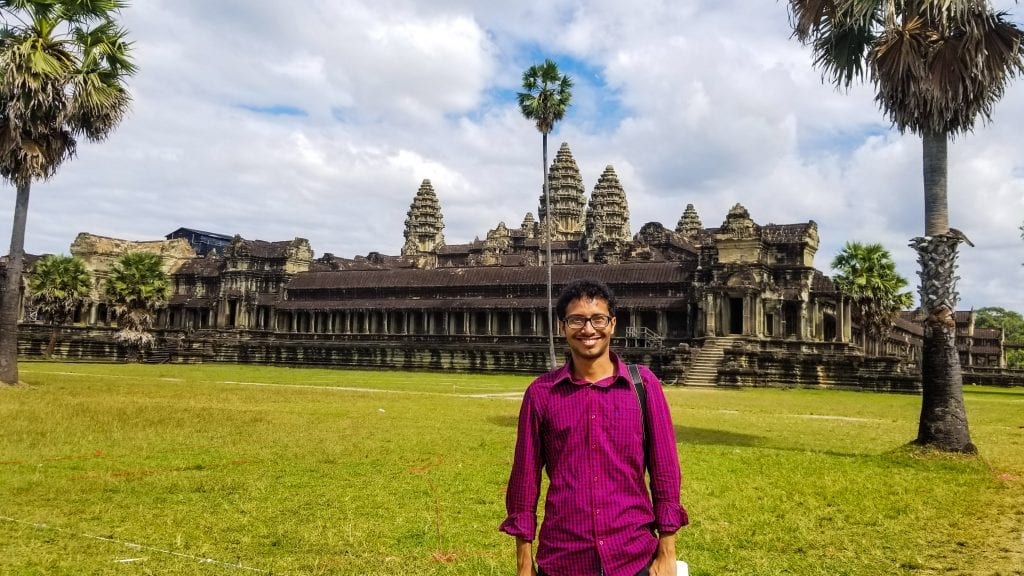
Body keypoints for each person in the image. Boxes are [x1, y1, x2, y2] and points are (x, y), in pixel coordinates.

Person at [500, 279, 688, 576]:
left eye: (598, 319)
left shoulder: (644, 386)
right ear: (562, 327)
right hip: (564, 556)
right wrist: (524, 564)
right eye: (576, 320)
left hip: (632, 554)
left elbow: (665, 471)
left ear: (612, 324)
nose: (588, 330)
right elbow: (525, 481)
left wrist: (667, 550)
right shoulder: (541, 393)